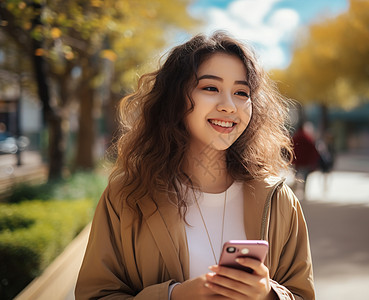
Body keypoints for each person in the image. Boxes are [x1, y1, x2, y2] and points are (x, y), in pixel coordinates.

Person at [75, 31, 315, 300]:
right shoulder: (127, 196)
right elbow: (94, 294)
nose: (228, 106)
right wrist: (174, 296)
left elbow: (303, 294)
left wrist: (268, 295)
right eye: (211, 88)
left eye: (241, 92)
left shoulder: (280, 201)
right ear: (175, 100)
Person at [291, 123, 320, 198]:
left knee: (297, 176)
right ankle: (304, 191)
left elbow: (291, 149)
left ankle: (294, 191)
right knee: (305, 177)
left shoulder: (295, 137)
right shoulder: (307, 137)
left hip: (297, 161)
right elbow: (313, 149)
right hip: (306, 162)